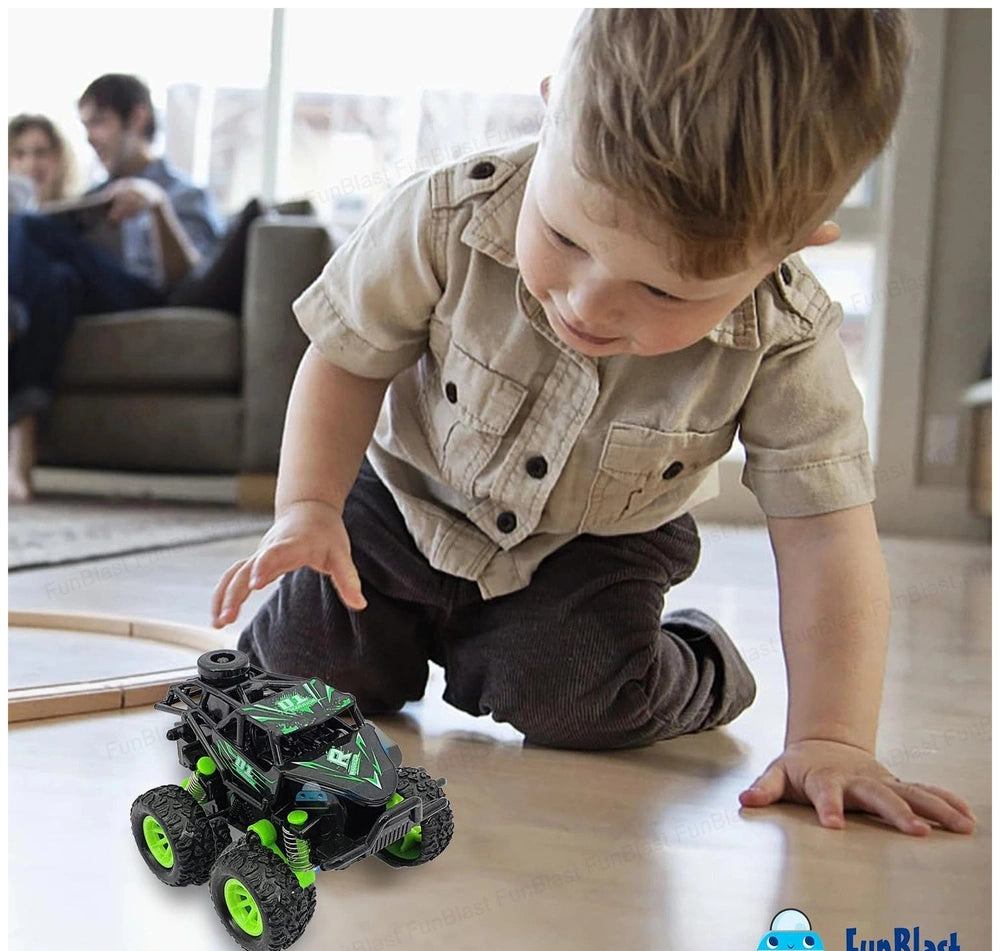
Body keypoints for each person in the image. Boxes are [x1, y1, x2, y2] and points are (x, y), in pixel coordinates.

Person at [211, 10, 975, 837]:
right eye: (565, 236)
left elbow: (827, 533)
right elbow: (346, 357)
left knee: (577, 701)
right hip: (400, 501)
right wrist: (309, 507)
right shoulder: (443, 214)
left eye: (663, 292)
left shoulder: (786, 338)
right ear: (551, 107)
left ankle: (699, 663)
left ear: (792, 246)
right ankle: (407, 640)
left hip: (591, 548)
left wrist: (832, 738)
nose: (587, 304)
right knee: (297, 671)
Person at [8, 74, 224, 501]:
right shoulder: (94, 195)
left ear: (137, 118)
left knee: (27, 226)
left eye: (99, 122)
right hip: (90, 295)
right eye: (86, 125)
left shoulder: (185, 192)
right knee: (57, 281)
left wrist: (156, 205)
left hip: (149, 295)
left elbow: (192, 278)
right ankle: (19, 460)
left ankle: (9, 318)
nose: (91, 137)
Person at [9, 113, 75, 206]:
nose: (30, 164)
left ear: (58, 157)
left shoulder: (80, 210)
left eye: (41, 153)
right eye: (19, 154)